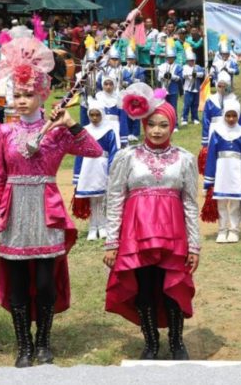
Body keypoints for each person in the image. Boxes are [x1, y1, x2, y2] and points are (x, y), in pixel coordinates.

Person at [0, 37, 103, 368]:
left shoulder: (57, 130)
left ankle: (44, 342)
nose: (21, 101)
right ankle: (24, 345)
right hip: (14, 212)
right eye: (17, 95)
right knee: (18, 282)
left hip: (47, 212)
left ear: (43, 95)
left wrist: (71, 124)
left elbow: (95, 151)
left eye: (28, 95)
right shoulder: (2, 133)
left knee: (47, 283)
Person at [103, 83, 200, 360]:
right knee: (144, 288)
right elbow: (115, 199)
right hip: (136, 236)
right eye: (152, 125)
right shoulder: (127, 157)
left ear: (172, 126)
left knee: (172, 288)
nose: (157, 130)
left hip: (174, 236)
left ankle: (177, 341)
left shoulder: (185, 159)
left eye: (164, 125)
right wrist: (112, 241)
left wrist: (194, 245)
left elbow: (191, 203)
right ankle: (151, 342)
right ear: (144, 125)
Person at [203, 100, 241, 243]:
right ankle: (222, 229)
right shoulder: (217, 132)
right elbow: (212, 156)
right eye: (228, 115)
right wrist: (209, 180)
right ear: (224, 115)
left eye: (234, 116)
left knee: (235, 203)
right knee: (221, 202)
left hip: (237, 171)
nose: (231, 119)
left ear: (238, 116)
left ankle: (234, 230)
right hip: (221, 170)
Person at [72, 103, 118, 241]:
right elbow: (78, 153)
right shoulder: (84, 131)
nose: (95, 117)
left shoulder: (109, 131)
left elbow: (113, 152)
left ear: (102, 115)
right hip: (88, 167)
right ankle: (93, 227)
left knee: (102, 197)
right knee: (92, 198)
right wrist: (77, 174)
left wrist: (111, 170)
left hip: (102, 166)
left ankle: (103, 226)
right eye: (92, 115)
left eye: (97, 114)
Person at [201, 71, 241, 149]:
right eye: (219, 86)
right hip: (214, 131)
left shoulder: (234, 100)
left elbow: (239, 119)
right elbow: (206, 121)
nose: (222, 89)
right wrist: (205, 141)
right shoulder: (210, 101)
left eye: (224, 86)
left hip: (231, 130)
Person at [157, 39, 183, 131]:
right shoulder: (162, 66)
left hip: (173, 89)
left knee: (173, 108)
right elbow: (158, 77)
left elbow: (180, 78)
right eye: (168, 57)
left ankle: (175, 125)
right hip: (164, 89)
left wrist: (171, 76)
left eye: (171, 57)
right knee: (163, 107)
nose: (170, 59)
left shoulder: (178, 66)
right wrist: (163, 76)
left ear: (174, 57)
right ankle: (165, 124)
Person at [94, 77, 125, 149]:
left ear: (114, 85)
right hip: (101, 126)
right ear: (102, 85)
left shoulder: (119, 99)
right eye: (106, 84)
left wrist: (123, 137)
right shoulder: (98, 98)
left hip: (115, 127)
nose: (108, 87)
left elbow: (123, 120)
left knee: (114, 147)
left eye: (111, 84)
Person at [181, 43, 205, 126]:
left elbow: (202, 74)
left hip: (196, 88)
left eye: (192, 60)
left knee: (195, 104)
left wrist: (196, 74)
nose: (191, 62)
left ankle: (195, 118)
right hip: (188, 89)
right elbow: (183, 75)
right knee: (187, 104)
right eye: (189, 60)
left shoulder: (198, 67)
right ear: (187, 61)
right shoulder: (184, 67)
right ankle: (184, 118)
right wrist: (190, 74)